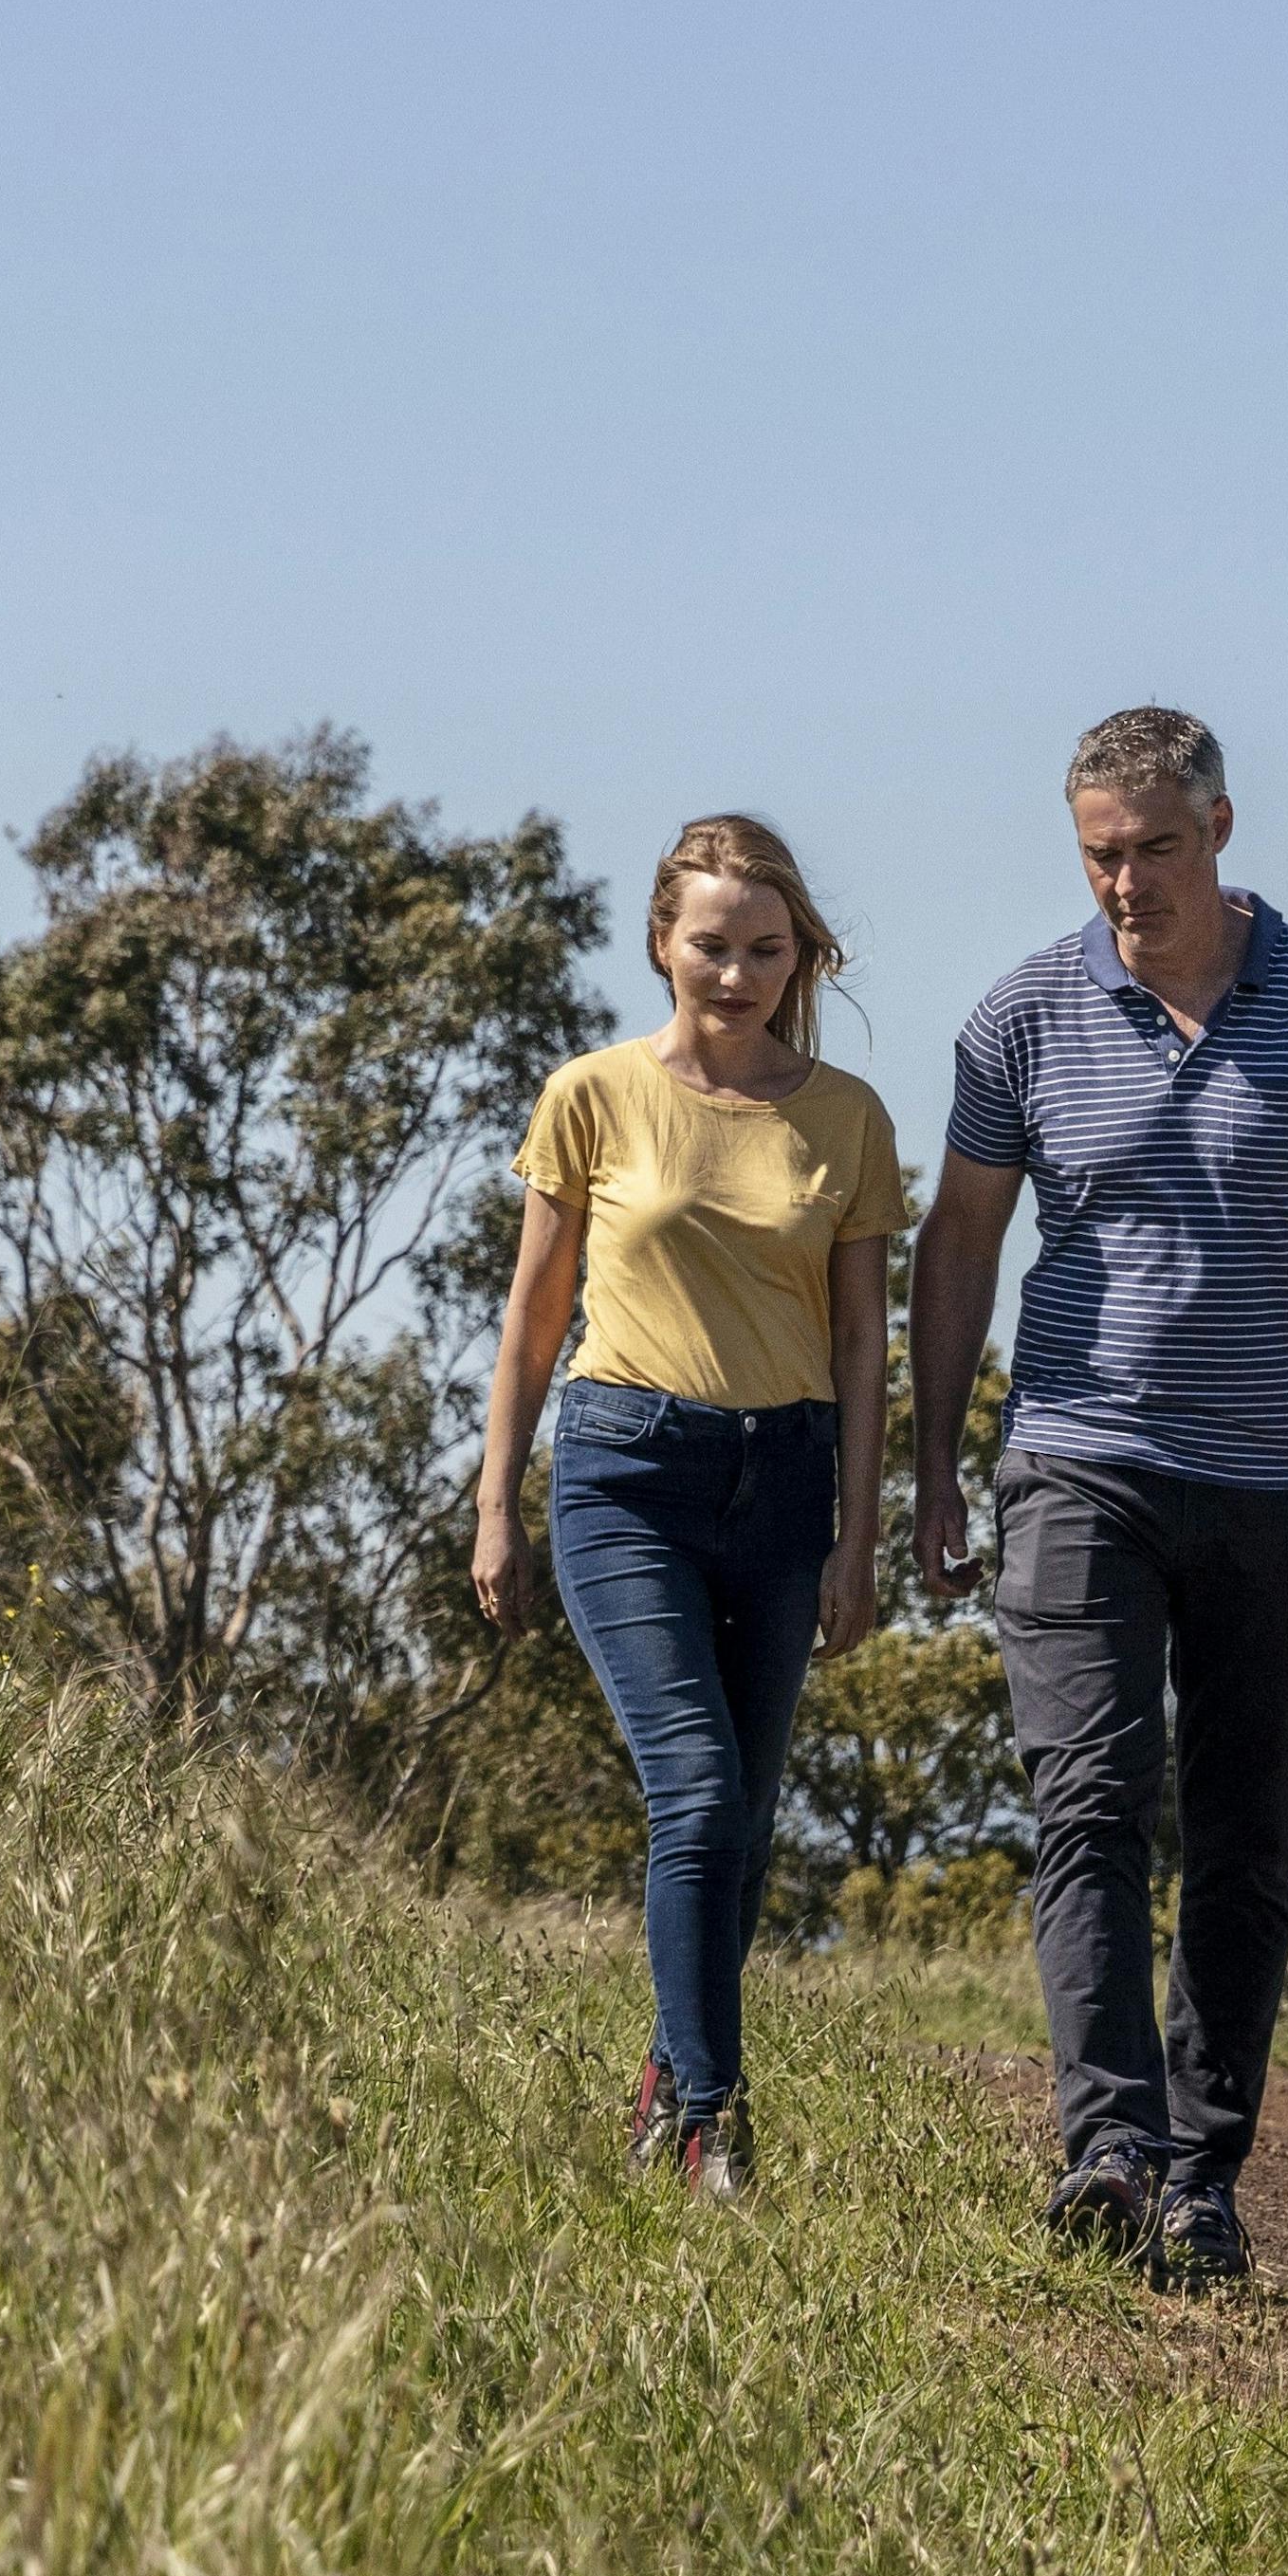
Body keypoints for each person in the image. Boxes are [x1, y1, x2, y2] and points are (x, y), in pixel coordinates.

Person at [908, 707, 1288, 2287]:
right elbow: (961, 1242)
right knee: (1084, 1799)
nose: (1125, 882)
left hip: (1281, 1482)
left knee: (1244, 1836)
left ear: (1220, 829)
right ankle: (1108, 2144)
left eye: (1153, 847)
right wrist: (940, 1460)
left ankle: (1203, 2177)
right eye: (1098, 853)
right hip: (1079, 1458)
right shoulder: (1021, 1015)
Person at [476, 812, 906, 2199]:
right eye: (711, 944)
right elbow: (535, 1316)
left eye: (765, 949)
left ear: (801, 954)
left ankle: (669, 2074)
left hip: (785, 1482)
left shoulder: (844, 1119)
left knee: (744, 1819)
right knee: (699, 1787)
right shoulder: (591, 1094)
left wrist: (861, 1531)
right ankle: (712, 2121)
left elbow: (860, 1347)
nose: (736, 972)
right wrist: (496, 1500)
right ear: (663, 939)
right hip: (624, 1470)